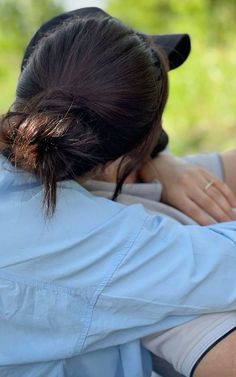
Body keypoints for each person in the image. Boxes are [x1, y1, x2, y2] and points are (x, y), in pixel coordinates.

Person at [0, 7, 236, 377]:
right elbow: (221, 266)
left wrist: (159, 160)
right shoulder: (90, 235)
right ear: (127, 150)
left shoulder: (32, 185)